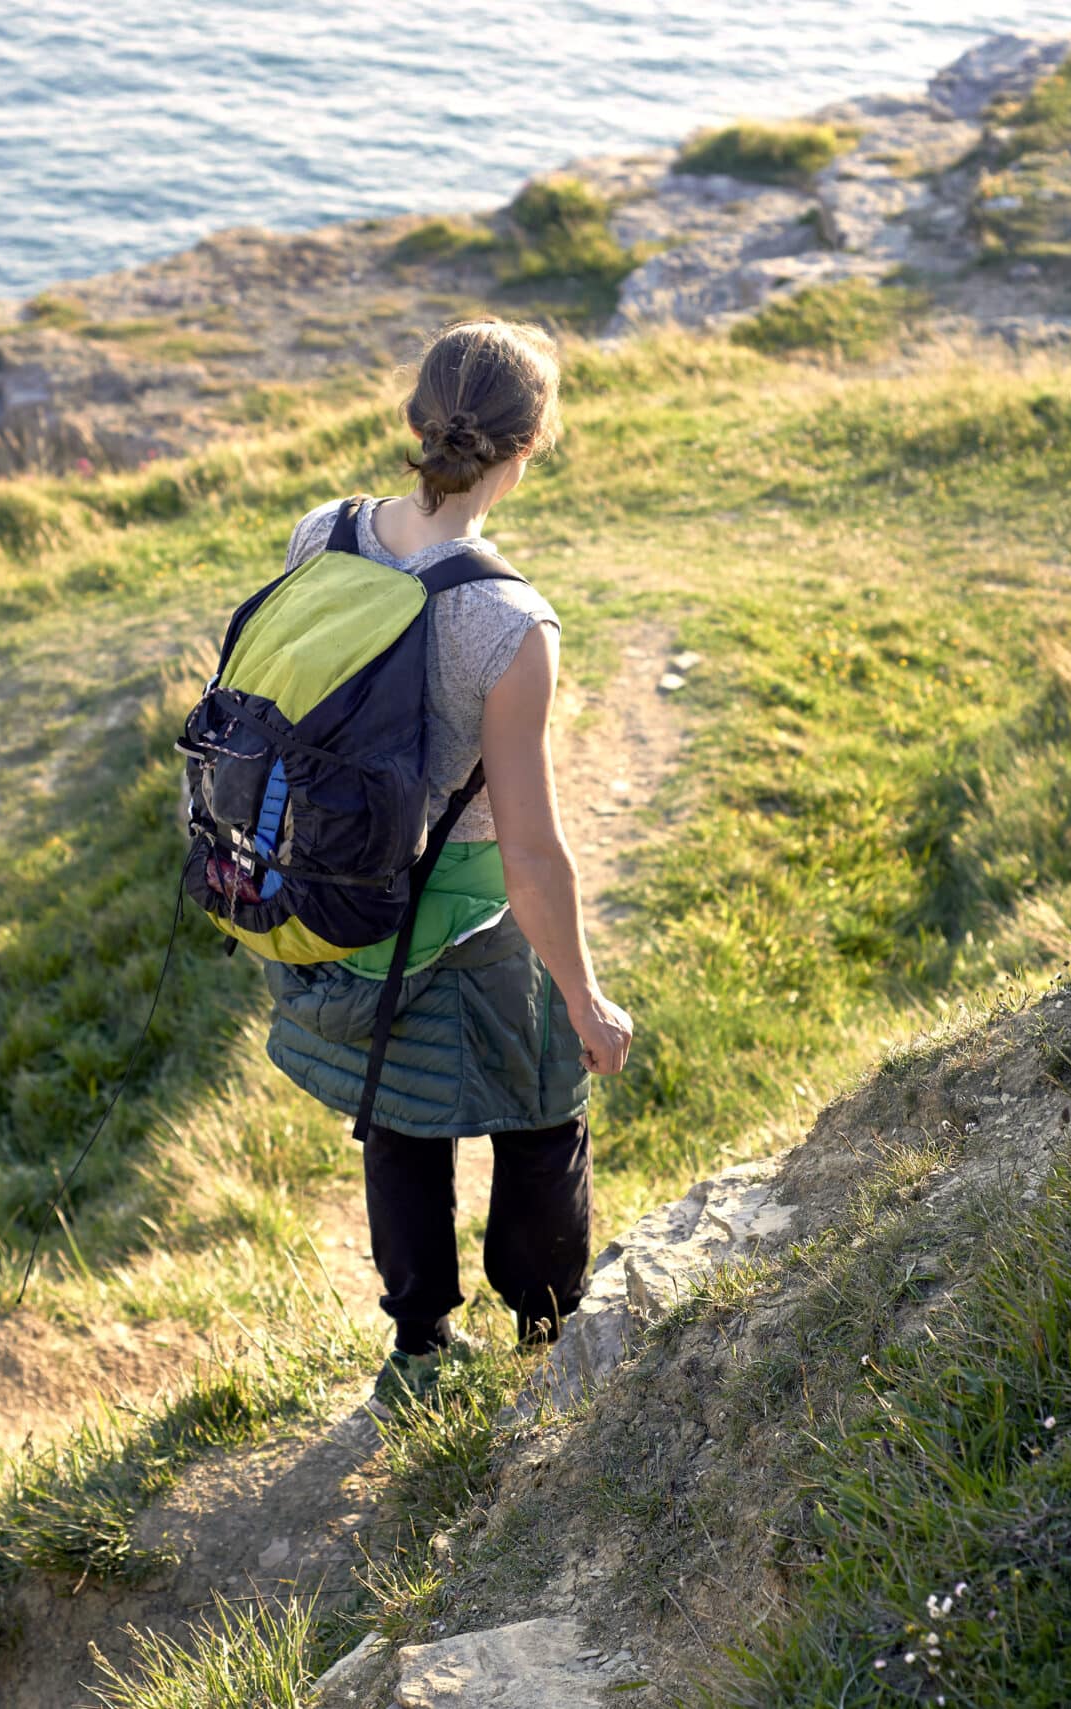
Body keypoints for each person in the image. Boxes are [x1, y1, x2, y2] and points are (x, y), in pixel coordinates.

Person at [260, 320, 635, 1411]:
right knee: (544, 1105)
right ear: (529, 448)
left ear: (414, 420)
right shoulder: (510, 621)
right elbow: (527, 848)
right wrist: (584, 995)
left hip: (339, 895)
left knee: (399, 1115)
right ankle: (546, 1341)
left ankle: (417, 1355)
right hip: (463, 913)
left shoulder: (319, 535)